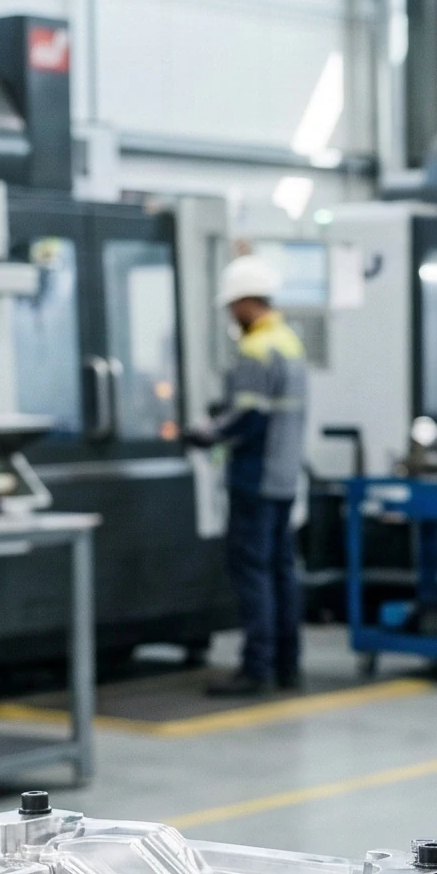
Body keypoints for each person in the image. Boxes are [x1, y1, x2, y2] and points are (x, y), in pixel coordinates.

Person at [194, 256, 308, 696]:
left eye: (231, 306)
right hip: (283, 478)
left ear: (244, 302)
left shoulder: (256, 348)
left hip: (254, 477)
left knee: (252, 571)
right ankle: (287, 666)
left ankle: (255, 669)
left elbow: (248, 419)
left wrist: (206, 435)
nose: (230, 316)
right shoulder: (290, 341)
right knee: (281, 571)